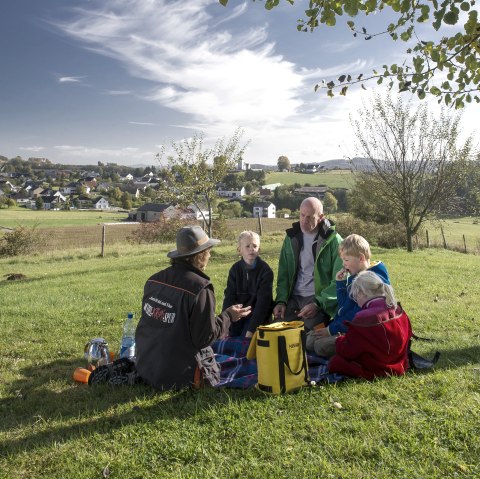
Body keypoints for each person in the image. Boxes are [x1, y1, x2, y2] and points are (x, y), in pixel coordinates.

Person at [135, 225, 252, 390]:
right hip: (178, 376)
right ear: (199, 256)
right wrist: (228, 317)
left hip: (146, 367)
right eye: (208, 251)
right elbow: (204, 338)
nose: (210, 255)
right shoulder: (200, 288)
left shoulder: (154, 280)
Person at [306, 234, 390, 357]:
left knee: (319, 346)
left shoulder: (372, 280)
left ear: (361, 258)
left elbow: (357, 316)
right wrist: (340, 284)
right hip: (344, 324)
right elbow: (343, 306)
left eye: (346, 260)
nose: (344, 265)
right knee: (309, 341)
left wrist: (331, 330)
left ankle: (348, 351)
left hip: (360, 330)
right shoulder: (355, 275)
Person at [273, 197, 343, 331]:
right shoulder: (290, 238)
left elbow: (338, 281)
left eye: (310, 217)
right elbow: (283, 275)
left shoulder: (334, 241)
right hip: (293, 297)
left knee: (309, 333)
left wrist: (318, 304)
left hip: (318, 299)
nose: (304, 221)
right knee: (277, 329)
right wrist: (281, 301)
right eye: (302, 215)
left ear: (321, 217)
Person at [328, 270, 412, 380]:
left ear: (362, 293)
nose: (356, 300)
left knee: (334, 361)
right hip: (399, 363)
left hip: (378, 368)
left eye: (355, 296)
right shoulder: (397, 309)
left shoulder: (364, 317)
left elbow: (349, 351)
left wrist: (339, 341)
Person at [222, 231, 274, 338]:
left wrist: (251, 330)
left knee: (246, 340)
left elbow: (263, 304)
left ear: (259, 250)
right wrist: (225, 324)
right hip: (239, 314)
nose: (251, 249)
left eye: (255, 246)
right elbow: (229, 297)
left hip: (258, 315)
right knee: (229, 336)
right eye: (247, 246)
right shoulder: (235, 270)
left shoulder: (265, 271)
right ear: (239, 250)